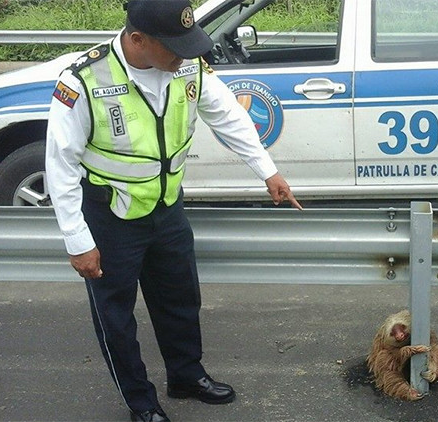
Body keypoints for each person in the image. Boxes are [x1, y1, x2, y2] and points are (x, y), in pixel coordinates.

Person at [45, 0, 302, 421]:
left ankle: (186, 375)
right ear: (138, 39)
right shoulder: (85, 81)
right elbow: (60, 164)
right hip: (111, 217)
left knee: (180, 299)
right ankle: (140, 402)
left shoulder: (185, 65)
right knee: (117, 318)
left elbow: (228, 117)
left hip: (166, 209)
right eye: (174, 47)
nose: (183, 55)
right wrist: (78, 240)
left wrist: (267, 171)